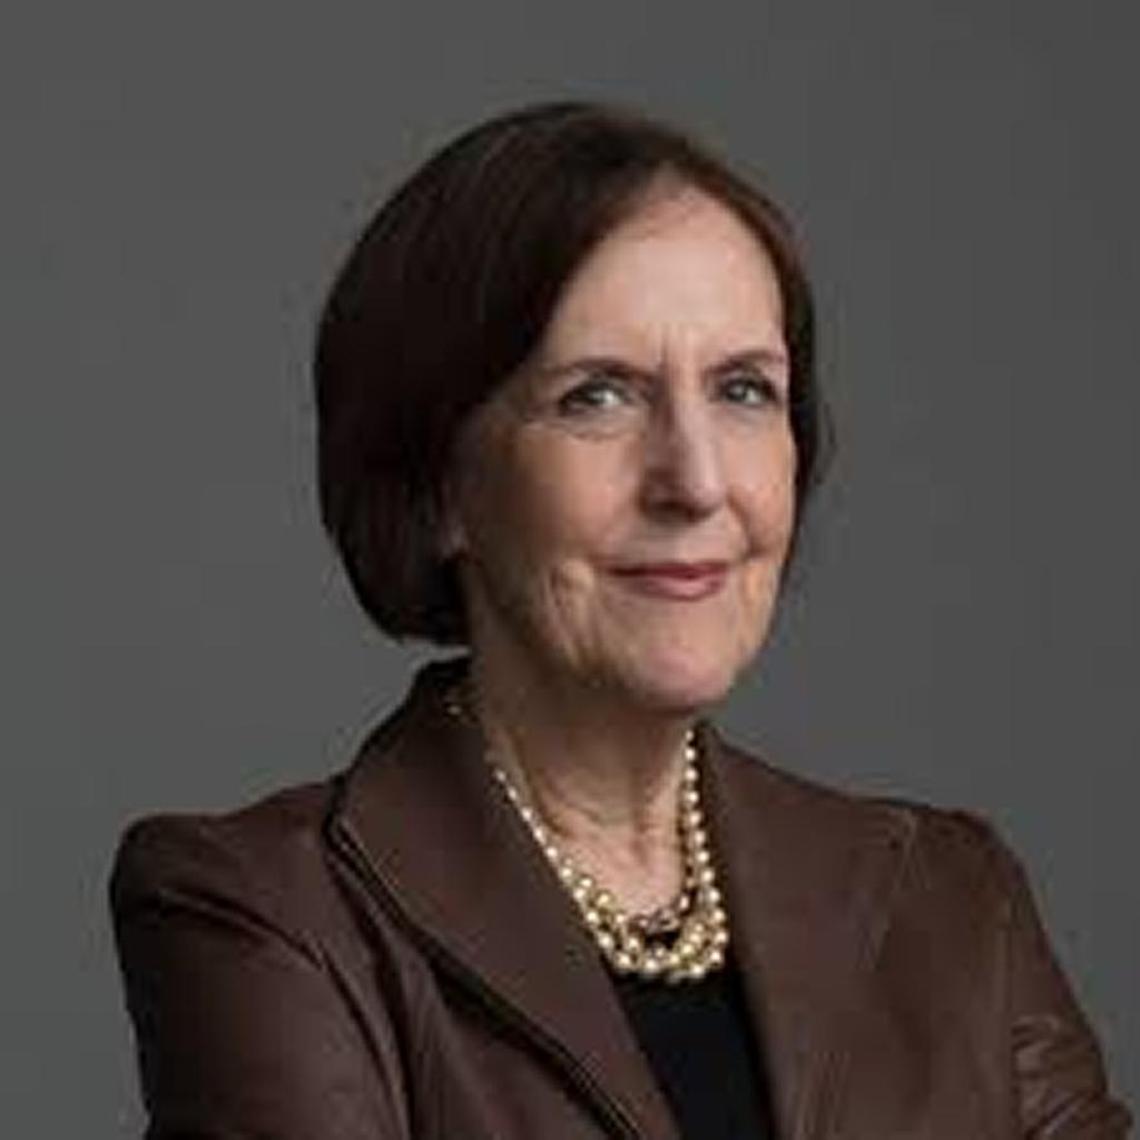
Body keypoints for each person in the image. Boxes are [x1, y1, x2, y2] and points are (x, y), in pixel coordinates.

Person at [110, 101, 1131, 1139]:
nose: (696, 480)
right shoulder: (271, 914)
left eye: (744, 390)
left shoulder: (954, 903)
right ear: (438, 485)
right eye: (597, 397)